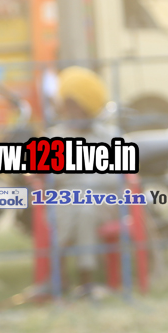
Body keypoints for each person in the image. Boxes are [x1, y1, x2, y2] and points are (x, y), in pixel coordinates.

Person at [44, 67, 122, 299]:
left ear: (89, 106)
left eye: (77, 104)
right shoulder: (54, 137)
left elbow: (116, 179)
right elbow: (50, 180)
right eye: (68, 105)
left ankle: (70, 276)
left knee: (85, 207)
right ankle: (78, 279)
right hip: (67, 200)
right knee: (77, 207)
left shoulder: (110, 136)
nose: (73, 111)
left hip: (105, 201)